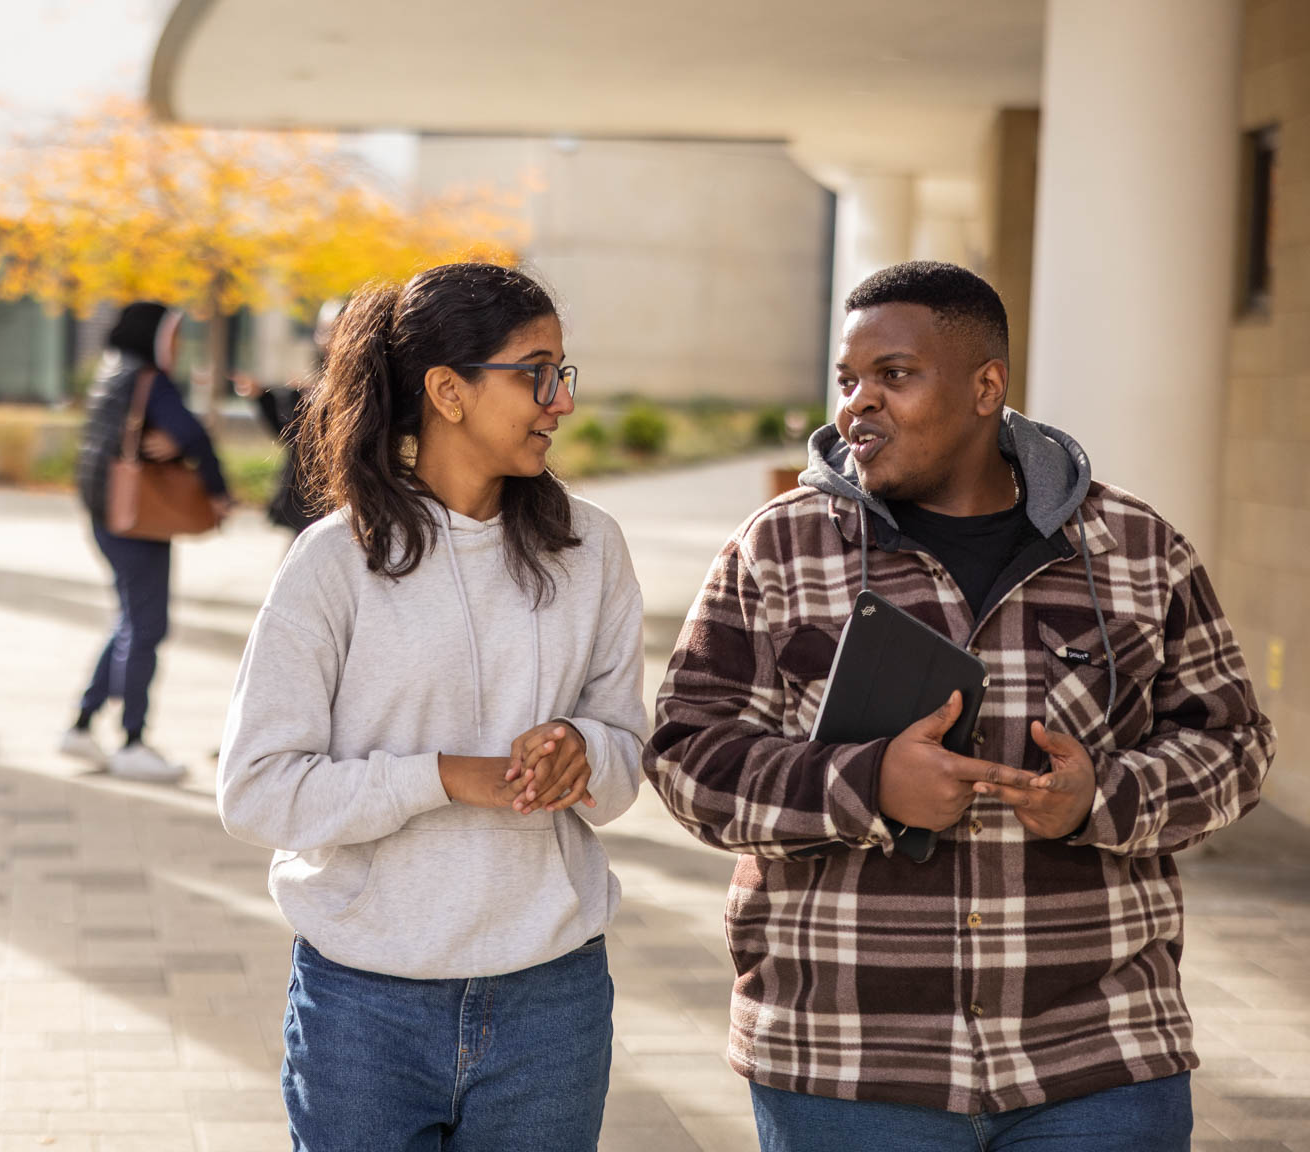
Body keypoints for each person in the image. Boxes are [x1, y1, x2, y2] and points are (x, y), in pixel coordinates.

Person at [643, 260, 1274, 1151]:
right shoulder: (776, 549)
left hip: (1097, 1060)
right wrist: (867, 784)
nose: (857, 404)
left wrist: (1100, 799)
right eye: (848, 381)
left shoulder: (1137, 546)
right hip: (849, 1067)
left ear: (986, 386)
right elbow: (683, 757)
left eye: (893, 376)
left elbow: (1235, 745)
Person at [217, 262, 648, 1151]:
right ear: (448, 391)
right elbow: (256, 790)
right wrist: (444, 778)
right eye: (535, 372)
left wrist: (584, 751)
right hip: (364, 1004)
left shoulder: (592, 548)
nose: (558, 401)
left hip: (551, 1000)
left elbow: (625, 760)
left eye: (562, 372)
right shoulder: (334, 562)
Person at [64, 301, 230, 783]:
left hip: (105, 518)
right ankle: (131, 741)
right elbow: (192, 433)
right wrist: (217, 492)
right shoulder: (148, 379)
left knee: (128, 623)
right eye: (173, 335)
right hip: (137, 522)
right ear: (153, 336)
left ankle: (82, 724)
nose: (177, 346)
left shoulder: (111, 371)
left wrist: (173, 441)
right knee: (147, 629)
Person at [234, 297, 344, 536]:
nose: (324, 338)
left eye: (331, 330)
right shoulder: (318, 382)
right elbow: (290, 436)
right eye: (321, 330)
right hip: (309, 503)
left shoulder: (356, 386)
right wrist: (264, 398)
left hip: (334, 504)